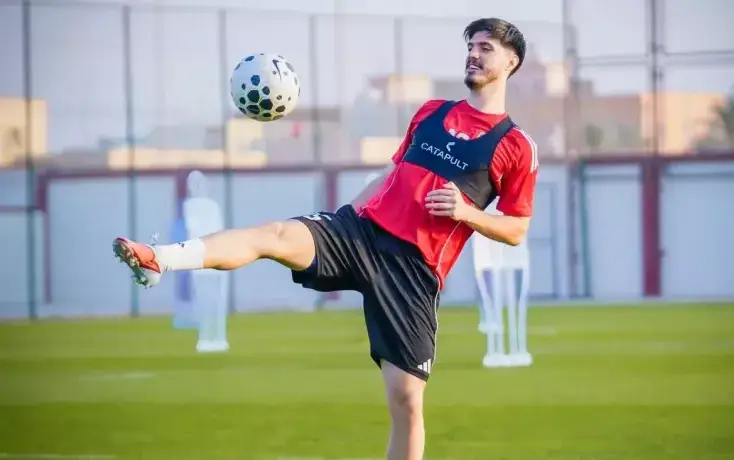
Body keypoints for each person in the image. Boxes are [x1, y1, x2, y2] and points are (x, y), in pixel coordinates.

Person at [112, 17, 538, 460]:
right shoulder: (431, 112)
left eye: (485, 48)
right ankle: (159, 258)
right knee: (274, 235)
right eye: (471, 46)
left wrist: (467, 213)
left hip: (413, 272)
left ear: (511, 62)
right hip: (359, 233)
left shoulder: (515, 146)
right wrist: (342, 217)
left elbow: (516, 228)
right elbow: (391, 174)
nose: (473, 54)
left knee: (407, 403)